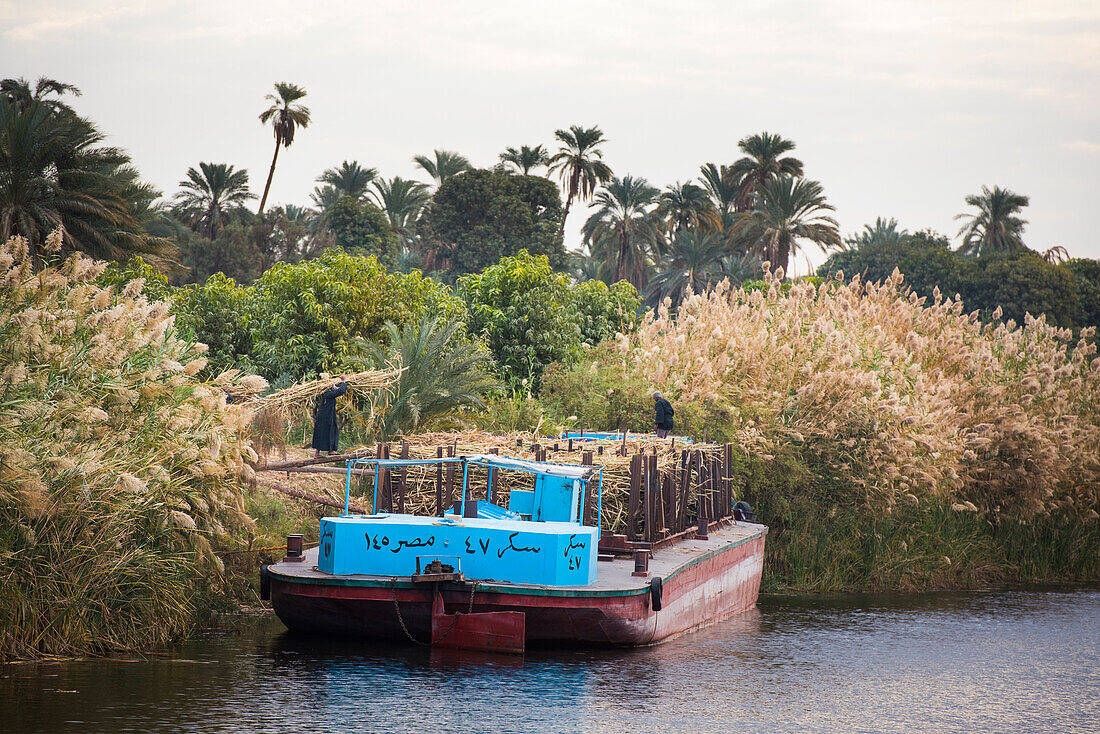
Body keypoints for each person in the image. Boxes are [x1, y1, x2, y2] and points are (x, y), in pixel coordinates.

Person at [312, 377, 348, 457]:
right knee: (322, 432)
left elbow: (336, 389)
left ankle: (331, 450)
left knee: (330, 431)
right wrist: (344, 382)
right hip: (324, 416)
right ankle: (318, 453)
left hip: (327, 415)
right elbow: (340, 391)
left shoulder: (327, 392)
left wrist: (337, 385)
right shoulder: (327, 394)